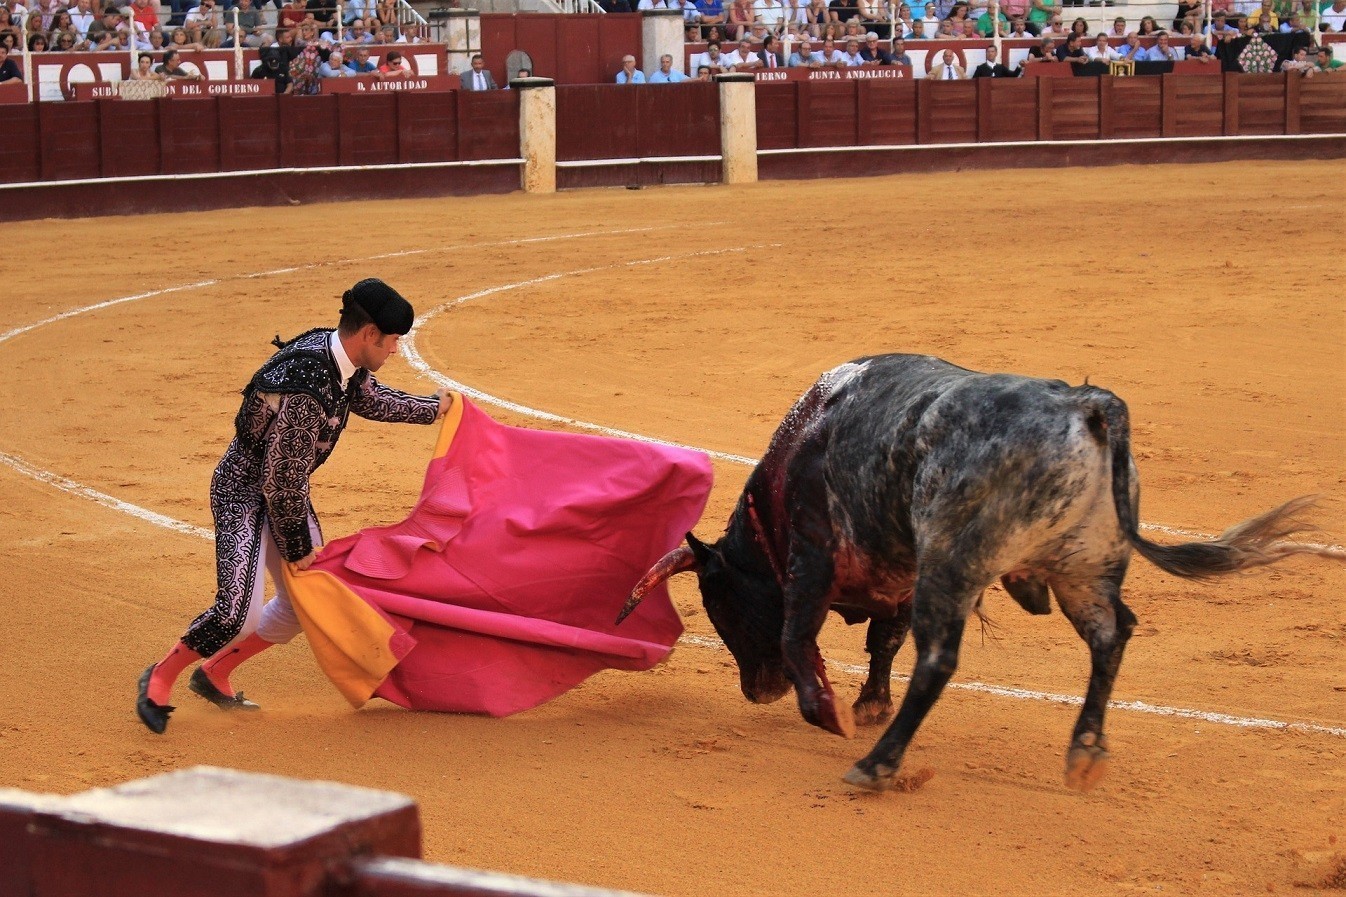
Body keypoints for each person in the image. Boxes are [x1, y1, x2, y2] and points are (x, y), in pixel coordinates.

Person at [135, 280, 454, 735]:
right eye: (392, 340)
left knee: (305, 603)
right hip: (242, 492)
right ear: (369, 334)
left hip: (284, 494)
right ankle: (160, 677)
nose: (395, 349)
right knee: (236, 613)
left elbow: (367, 397)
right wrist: (298, 545)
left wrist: (430, 409)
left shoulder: (335, 354)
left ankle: (214, 672)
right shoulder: (308, 388)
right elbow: (279, 478)